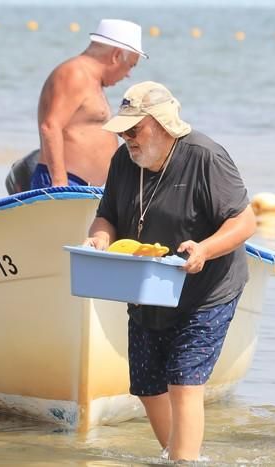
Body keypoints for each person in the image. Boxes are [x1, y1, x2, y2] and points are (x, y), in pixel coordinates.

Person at [83, 81, 256, 461]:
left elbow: (245, 223)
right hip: (146, 285)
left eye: (134, 130)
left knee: (184, 381)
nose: (127, 139)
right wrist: (98, 240)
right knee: (146, 385)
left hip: (206, 289)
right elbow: (106, 216)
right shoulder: (123, 162)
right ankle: (175, 453)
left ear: (162, 125)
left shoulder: (205, 157)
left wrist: (204, 249)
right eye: (122, 131)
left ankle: (184, 459)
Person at [6, 19, 147, 193]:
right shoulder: (76, 74)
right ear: (116, 56)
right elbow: (51, 126)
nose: (128, 75)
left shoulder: (91, 81)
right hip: (64, 182)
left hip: (79, 185)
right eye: (130, 65)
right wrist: (59, 184)